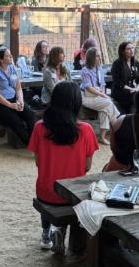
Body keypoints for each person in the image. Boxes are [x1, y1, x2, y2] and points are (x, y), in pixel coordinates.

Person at [28, 81, 99, 253]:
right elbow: (87, 166)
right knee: (77, 196)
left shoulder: (39, 127)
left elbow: (38, 162)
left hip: (46, 192)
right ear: (76, 102)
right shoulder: (86, 130)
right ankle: (62, 232)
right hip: (72, 196)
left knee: (47, 191)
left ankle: (46, 233)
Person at [0, 45, 37, 145]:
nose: (11, 57)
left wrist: (20, 100)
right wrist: (11, 105)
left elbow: (18, 87)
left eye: (10, 55)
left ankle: (34, 141)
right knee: (16, 121)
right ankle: (30, 144)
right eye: (8, 56)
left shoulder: (12, 68)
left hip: (13, 99)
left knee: (30, 114)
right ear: (0, 59)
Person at [78, 46, 120, 129]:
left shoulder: (99, 68)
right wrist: (103, 95)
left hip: (97, 95)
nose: (99, 57)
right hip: (87, 97)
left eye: (99, 55)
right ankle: (117, 124)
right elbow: (89, 87)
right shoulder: (85, 70)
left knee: (105, 109)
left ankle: (103, 136)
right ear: (91, 57)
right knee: (108, 103)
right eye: (97, 56)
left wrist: (103, 94)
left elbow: (103, 84)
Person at [110, 41, 139, 115]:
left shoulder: (136, 63)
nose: (131, 50)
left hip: (133, 91)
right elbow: (117, 82)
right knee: (134, 97)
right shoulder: (117, 63)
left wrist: (136, 89)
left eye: (132, 48)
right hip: (121, 91)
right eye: (128, 49)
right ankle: (131, 119)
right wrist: (130, 89)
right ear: (123, 51)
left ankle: (137, 120)